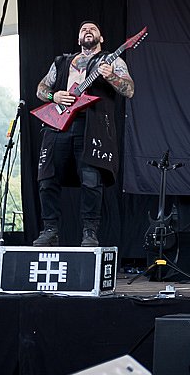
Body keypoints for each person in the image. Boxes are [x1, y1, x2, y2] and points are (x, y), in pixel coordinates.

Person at [33, 21, 135, 247]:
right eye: (83, 29)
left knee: (91, 179)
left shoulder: (112, 61)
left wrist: (111, 76)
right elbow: (41, 89)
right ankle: (50, 230)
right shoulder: (62, 62)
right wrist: (54, 96)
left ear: (101, 38)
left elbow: (129, 90)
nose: (88, 31)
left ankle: (90, 232)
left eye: (93, 29)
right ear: (78, 38)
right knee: (47, 178)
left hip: (91, 126)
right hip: (58, 124)